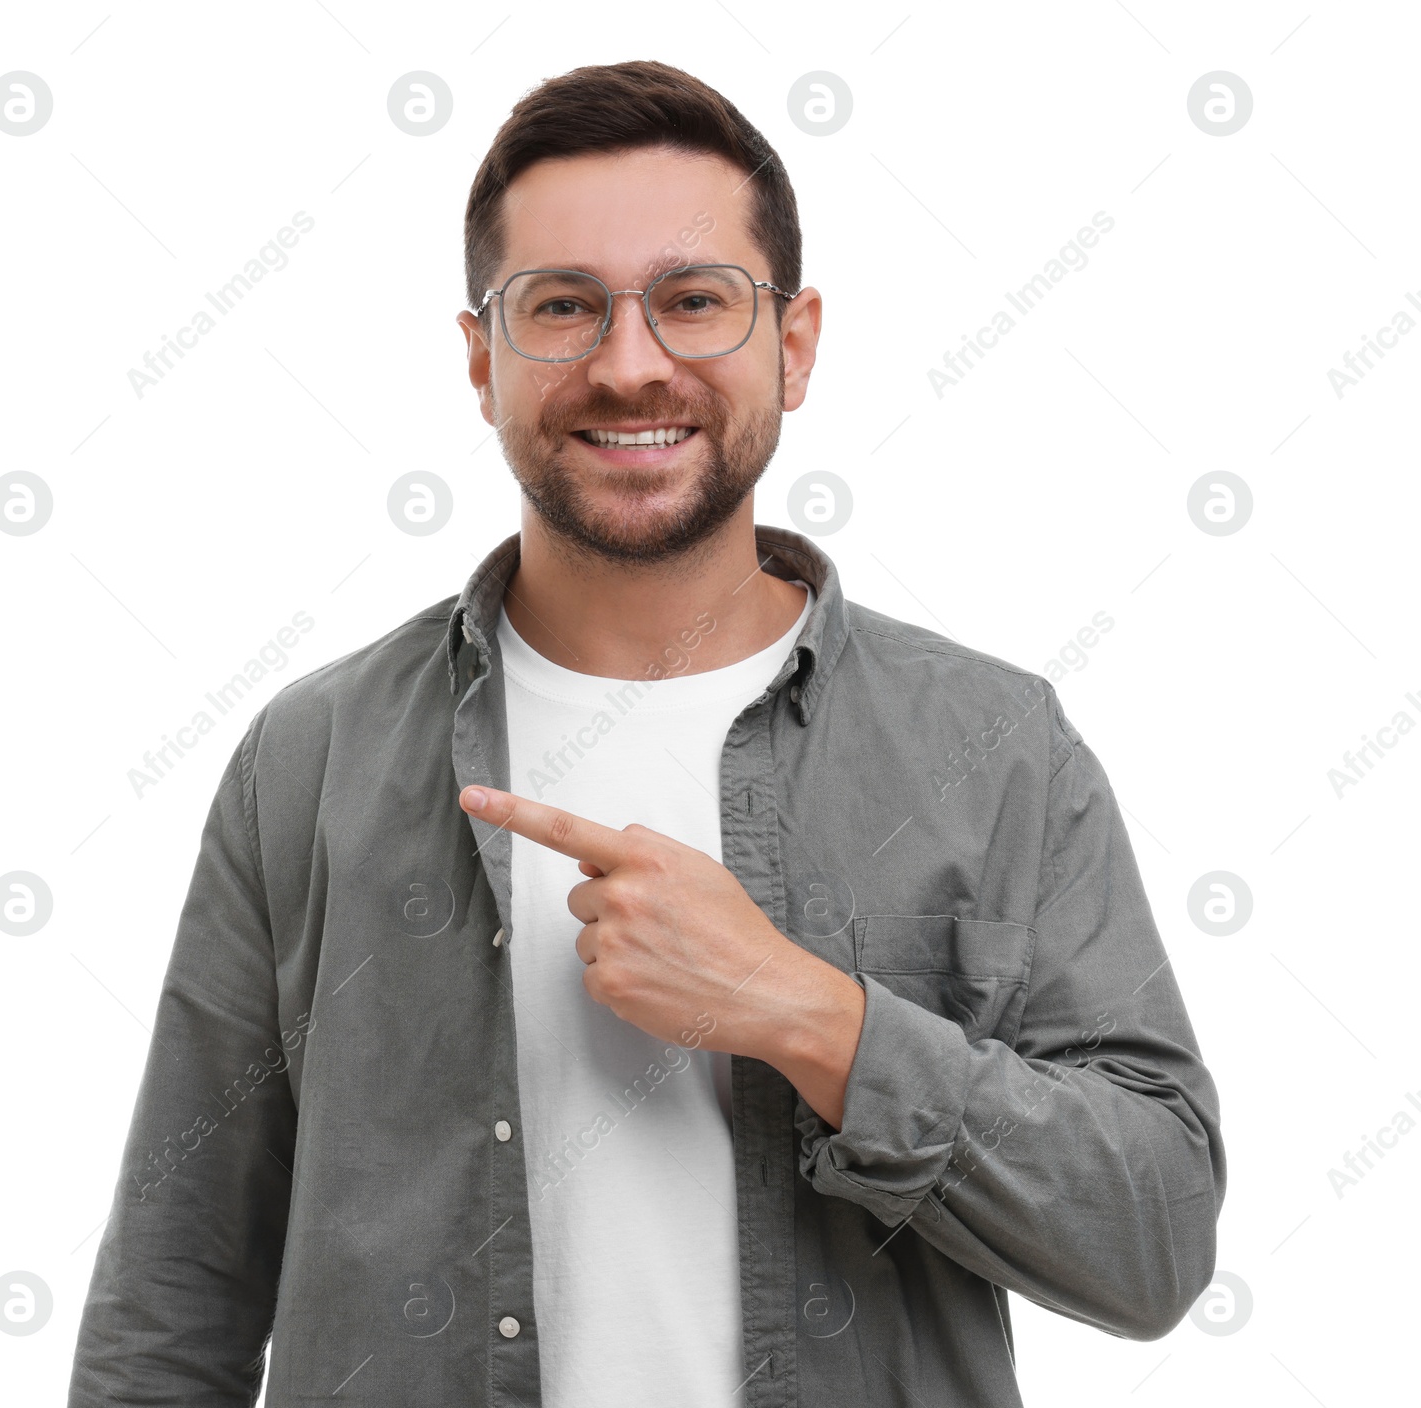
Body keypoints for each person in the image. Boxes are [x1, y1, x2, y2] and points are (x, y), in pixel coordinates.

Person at [69, 59, 1224, 1407]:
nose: (630, 366)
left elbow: (1154, 1238)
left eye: (693, 302)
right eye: (563, 308)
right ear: (481, 358)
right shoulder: (312, 757)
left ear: (791, 346)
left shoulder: (994, 746)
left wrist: (811, 1017)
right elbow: (173, 1305)